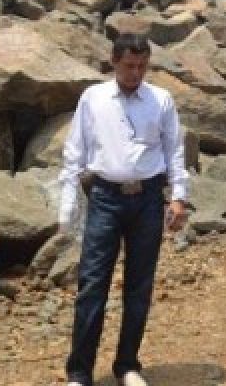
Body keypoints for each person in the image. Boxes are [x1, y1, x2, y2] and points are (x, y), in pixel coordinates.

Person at [58, 33, 190, 386]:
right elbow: (75, 150)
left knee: (139, 285)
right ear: (114, 61)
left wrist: (178, 197)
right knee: (92, 284)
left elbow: (174, 149)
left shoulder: (161, 100)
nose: (135, 73)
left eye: (142, 67)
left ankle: (128, 365)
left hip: (147, 198)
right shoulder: (93, 98)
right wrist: (68, 204)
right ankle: (79, 372)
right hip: (105, 197)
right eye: (129, 66)